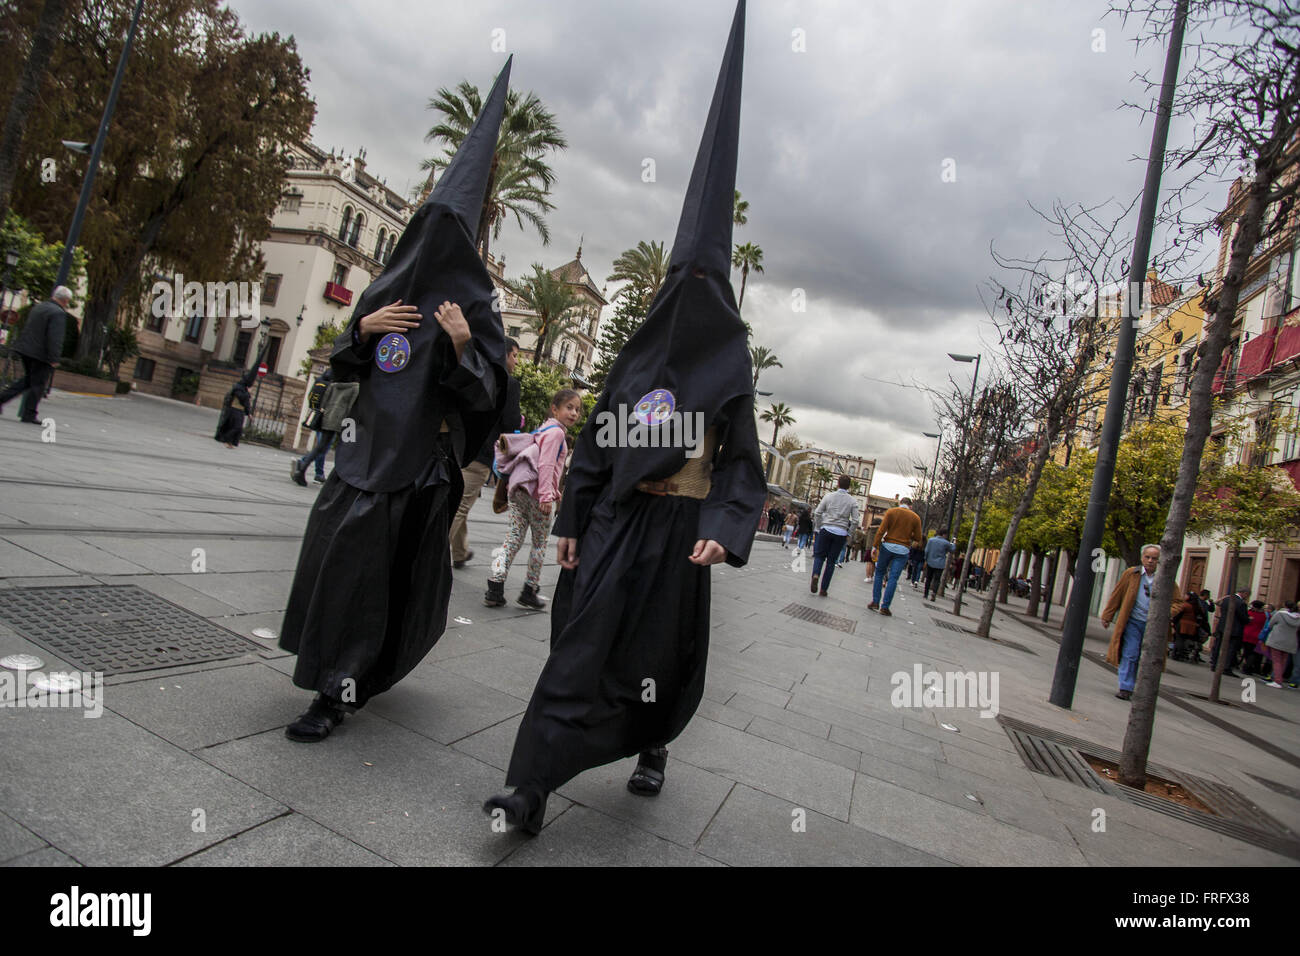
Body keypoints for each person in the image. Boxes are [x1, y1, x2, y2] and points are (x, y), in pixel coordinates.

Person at [484, 3, 765, 834]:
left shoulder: (732, 376)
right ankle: (528, 786)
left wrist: (725, 524)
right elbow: (604, 441)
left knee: (656, 659)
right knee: (575, 651)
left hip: (681, 535)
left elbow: (742, 465)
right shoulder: (636, 361)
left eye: (706, 293)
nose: (690, 307)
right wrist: (573, 514)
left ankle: (652, 743)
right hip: (613, 526)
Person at [277, 60, 511, 743]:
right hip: (358, 457)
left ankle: (336, 692)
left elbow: (494, 397)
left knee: (372, 580)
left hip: (415, 470)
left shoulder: (477, 308)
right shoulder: (383, 292)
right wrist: (360, 330)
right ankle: (328, 670)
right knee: (334, 569)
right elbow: (348, 367)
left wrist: (466, 347)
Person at [484, 388, 581, 610]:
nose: (574, 413)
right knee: (539, 545)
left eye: (577, 409)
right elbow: (546, 465)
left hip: (519, 490)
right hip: (537, 495)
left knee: (513, 539)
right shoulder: (557, 433)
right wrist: (548, 496)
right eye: (569, 407)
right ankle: (529, 590)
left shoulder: (542, 429)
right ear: (554, 409)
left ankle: (495, 587)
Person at [450, 338, 522, 568]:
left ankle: (460, 552)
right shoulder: (509, 384)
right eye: (515, 355)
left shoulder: (477, 372)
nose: (517, 361)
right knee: (460, 506)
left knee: (460, 499)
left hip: (457, 445)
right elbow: (510, 423)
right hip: (480, 453)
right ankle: (431, 555)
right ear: (504, 355)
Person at [1101, 545, 1186, 701]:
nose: (1150, 561)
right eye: (1147, 557)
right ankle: (1125, 687)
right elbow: (1117, 595)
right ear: (1142, 558)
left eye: (1154, 558)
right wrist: (1107, 615)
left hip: (1154, 626)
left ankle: (1141, 689)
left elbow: (1178, 602)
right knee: (1130, 654)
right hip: (1133, 622)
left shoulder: (1166, 579)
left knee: (1149, 658)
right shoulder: (1131, 574)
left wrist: (1165, 614)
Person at [0, 286, 70, 424]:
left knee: (28, 381)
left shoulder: (40, 307)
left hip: (26, 349)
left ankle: (5, 400)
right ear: (66, 300)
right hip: (41, 354)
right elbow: (54, 338)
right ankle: (29, 414)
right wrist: (54, 358)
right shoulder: (58, 313)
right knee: (38, 384)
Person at [868, 498, 922, 616]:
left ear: (900, 503)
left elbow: (881, 530)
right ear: (911, 506)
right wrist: (908, 533)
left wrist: (875, 546)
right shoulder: (915, 518)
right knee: (893, 578)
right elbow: (918, 538)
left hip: (887, 546)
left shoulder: (891, 512)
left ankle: (875, 601)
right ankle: (885, 606)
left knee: (879, 573)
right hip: (903, 550)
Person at [810, 475, 858, 596]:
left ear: (838, 484)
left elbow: (818, 512)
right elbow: (856, 520)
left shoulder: (828, 496)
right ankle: (823, 589)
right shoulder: (852, 501)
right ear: (849, 486)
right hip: (840, 532)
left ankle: (816, 574)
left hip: (826, 529)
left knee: (819, 556)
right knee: (831, 562)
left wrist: (819, 526)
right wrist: (849, 533)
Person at [291, 368, 338, 484]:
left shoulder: (320, 380)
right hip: (329, 419)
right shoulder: (335, 384)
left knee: (321, 446)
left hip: (318, 417)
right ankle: (314, 470)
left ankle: (314, 470)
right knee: (323, 447)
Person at [1210, 587, 1250, 677]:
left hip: (1222, 627)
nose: (1247, 597)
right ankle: (1226, 667)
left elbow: (1218, 605)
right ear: (1244, 593)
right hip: (1234, 629)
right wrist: (1249, 620)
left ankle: (1215, 664)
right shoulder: (1241, 603)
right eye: (1247, 595)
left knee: (1218, 645)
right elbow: (1243, 618)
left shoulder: (1227, 599)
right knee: (1230, 649)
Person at [1264, 601, 1300, 688]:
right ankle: (1279, 679)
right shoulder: (1298, 618)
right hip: (1290, 641)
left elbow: (1271, 624)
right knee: (1283, 661)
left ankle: (1277, 681)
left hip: (1277, 639)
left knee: (1276, 661)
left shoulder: (1280, 614)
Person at [215, 369, 255, 447]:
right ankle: (226, 439)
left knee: (239, 428)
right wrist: (248, 393)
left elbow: (246, 403)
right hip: (234, 409)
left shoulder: (245, 389)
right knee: (235, 427)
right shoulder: (238, 387)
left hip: (241, 411)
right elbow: (241, 397)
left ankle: (231, 442)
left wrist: (249, 413)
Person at [923, 527, 954, 601]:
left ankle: (926, 593)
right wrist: (953, 543)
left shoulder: (931, 540)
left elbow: (926, 551)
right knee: (937, 579)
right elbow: (952, 550)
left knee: (928, 578)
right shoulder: (946, 543)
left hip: (930, 562)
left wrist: (926, 559)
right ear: (944, 534)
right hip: (940, 564)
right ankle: (934, 593)